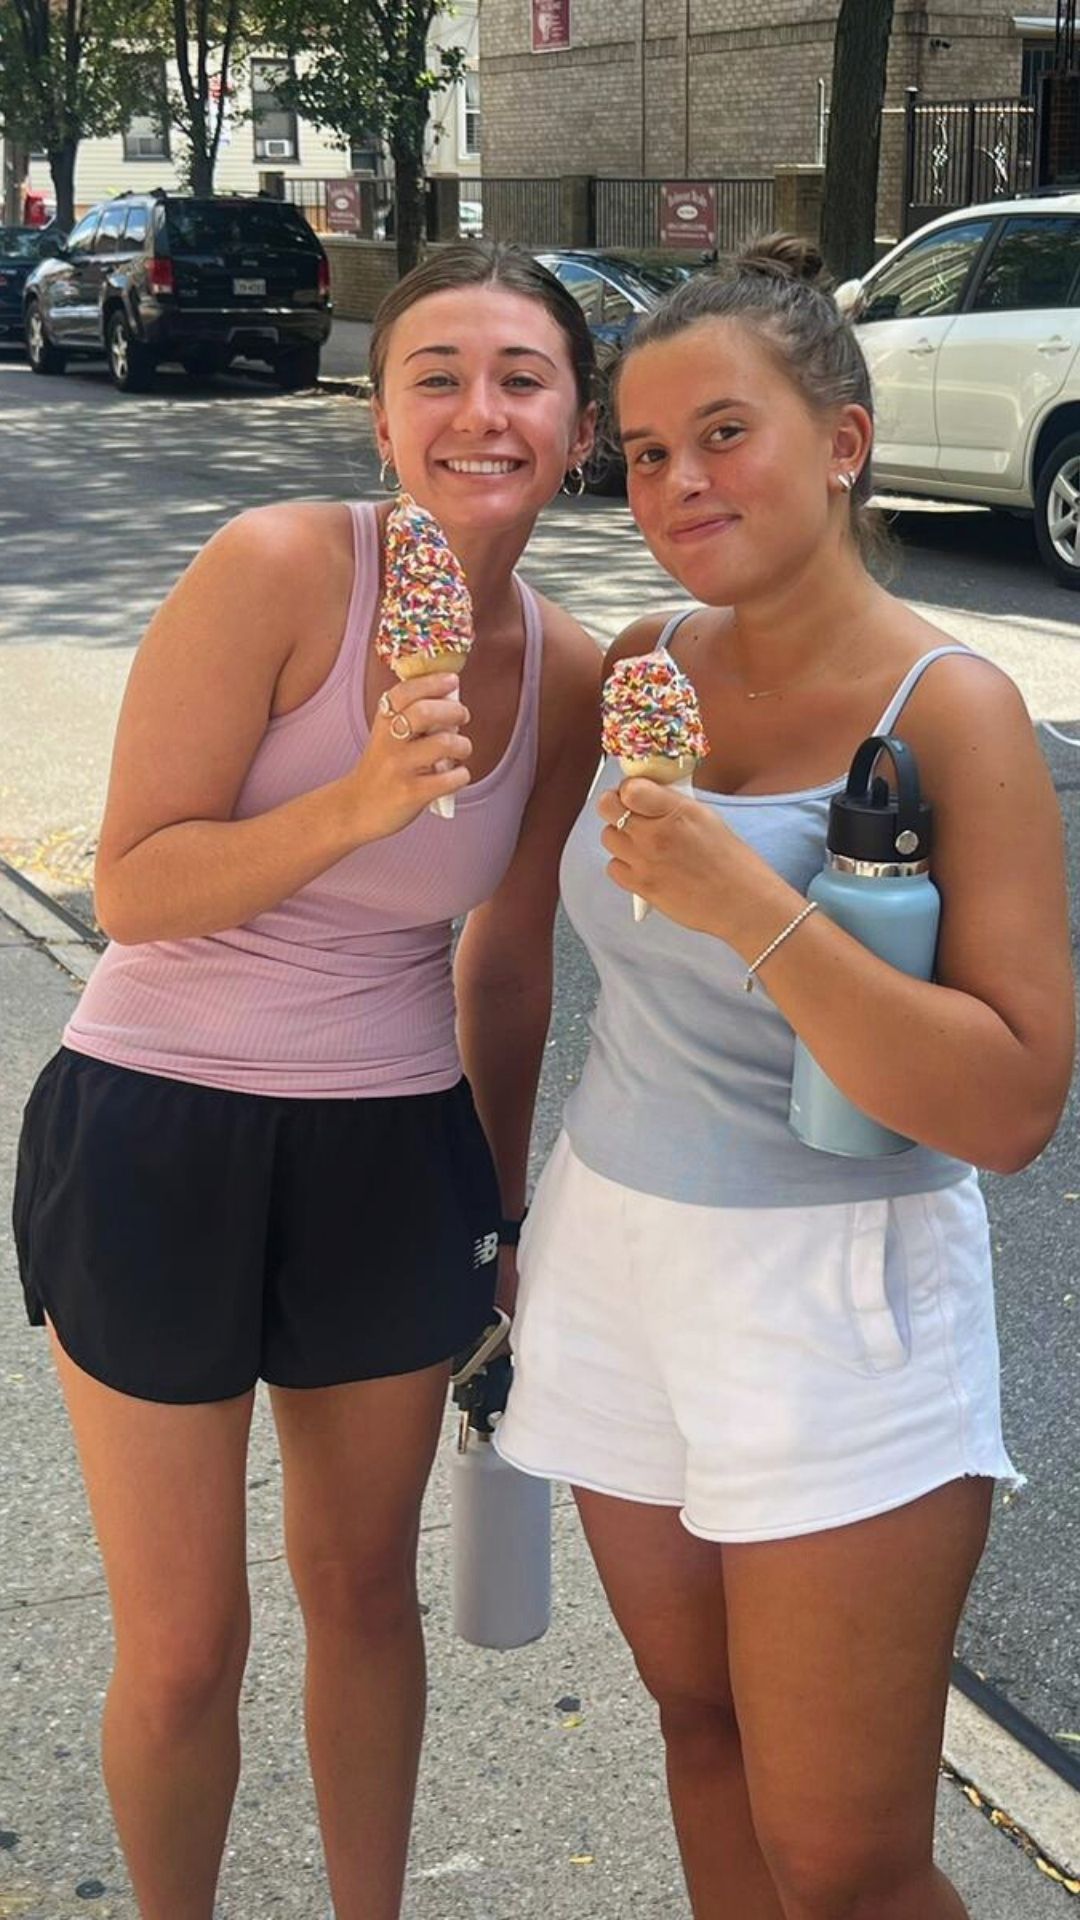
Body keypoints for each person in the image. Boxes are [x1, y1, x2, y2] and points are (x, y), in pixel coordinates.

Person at [13, 240, 600, 1920]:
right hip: (157, 1125)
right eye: (438, 375)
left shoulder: (563, 668)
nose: (480, 411)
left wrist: (498, 1211)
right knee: (187, 1642)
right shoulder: (278, 567)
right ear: (382, 421)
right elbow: (131, 884)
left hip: (390, 1148)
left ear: (575, 425)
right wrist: (354, 800)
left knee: (363, 1593)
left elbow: (505, 956)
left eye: (521, 378)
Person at [495, 236, 1075, 1920]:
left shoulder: (954, 712)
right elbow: (506, 941)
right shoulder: (641, 670)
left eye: (724, 433)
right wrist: (495, 1212)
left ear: (843, 437)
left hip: (839, 1303)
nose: (680, 481)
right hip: (615, 1263)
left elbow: (1013, 1104)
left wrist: (752, 901)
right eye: (648, 450)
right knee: (700, 1733)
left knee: (848, 1862)